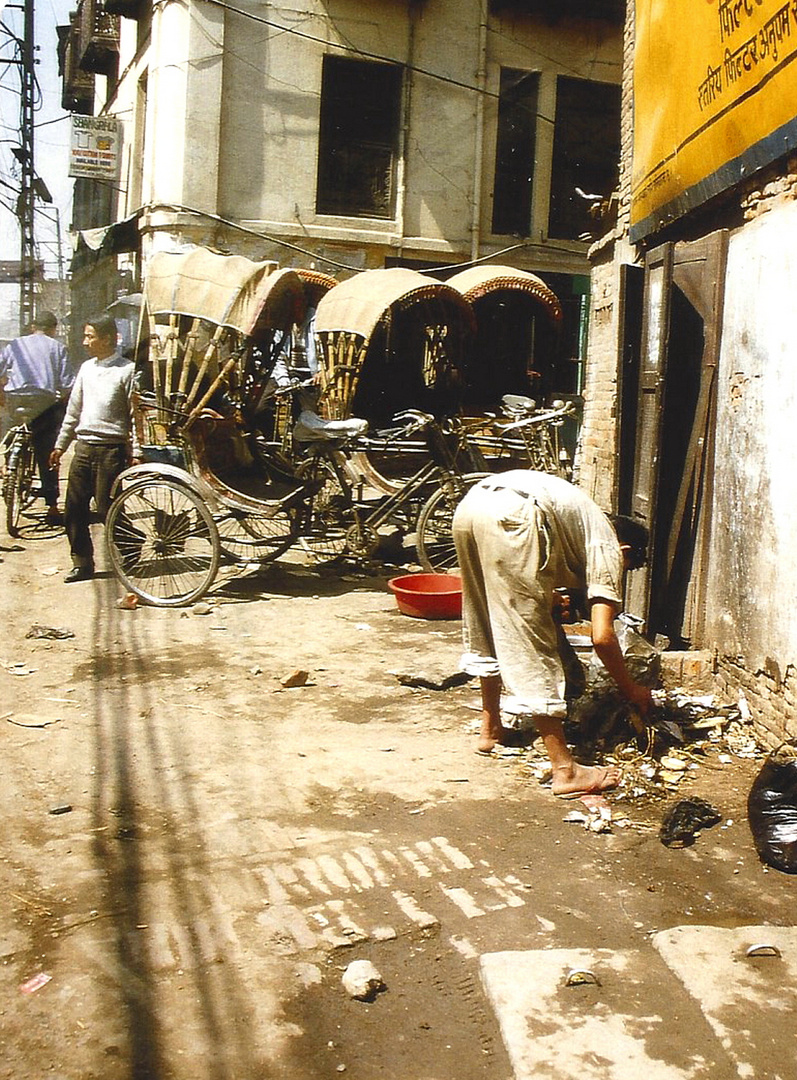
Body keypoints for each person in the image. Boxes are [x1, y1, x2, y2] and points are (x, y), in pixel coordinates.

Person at [452, 470, 653, 798]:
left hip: (473, 504)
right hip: (514, 515)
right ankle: (566, 770)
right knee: (531, 640)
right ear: (625, 549)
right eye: (628, 565)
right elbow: (602, 636)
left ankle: (490, 730)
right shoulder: (607, 544)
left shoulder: (580, 523)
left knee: (486, 618)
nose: (622, 572)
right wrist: (632, 688)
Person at [49, 315, 140, 582]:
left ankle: (130, 544)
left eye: (90, 336)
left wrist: (135, 452)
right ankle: (82, 563)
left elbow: (136, 417)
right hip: (84, 448)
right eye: (85, 336)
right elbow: (73, 410)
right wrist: (60, 445)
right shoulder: (86, 369)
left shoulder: (127, 370)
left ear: (108, 339)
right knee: (74, 508)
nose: (85, 342)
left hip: (111, 451)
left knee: (106, 508)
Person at [0, 310, 75, 524]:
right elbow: (67, 383)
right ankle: (52, 507)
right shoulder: (58, 348)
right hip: (44, 403)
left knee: (12, 434)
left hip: (16, 399)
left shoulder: (14, 345)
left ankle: (8, 467)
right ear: (53, 329)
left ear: (33, 327)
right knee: (47, 452)